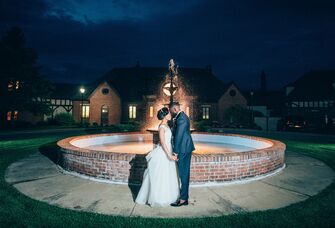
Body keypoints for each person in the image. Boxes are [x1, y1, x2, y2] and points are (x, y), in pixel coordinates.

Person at [135, 107, 180, 207]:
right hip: (164, 153)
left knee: (168, 174)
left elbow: (166, 141)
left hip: (169, 150)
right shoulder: (161, 127)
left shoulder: (167, 125)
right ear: (164, 115)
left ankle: (169, 196)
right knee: (161, 176)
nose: (170, 115)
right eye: (168, 113)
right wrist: (169, 156)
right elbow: (163, 142)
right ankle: (159, 198)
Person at [169, 102, 195, 207]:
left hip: (183, 150)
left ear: (175, 109)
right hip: (185, 148)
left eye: (171, 111)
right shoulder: (180, 117)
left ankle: (183, 199)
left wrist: (175, 152)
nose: (171, 114)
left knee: (183, 174)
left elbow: (179, 136)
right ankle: (184, 197)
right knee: (184, 173)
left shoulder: (182, 119)